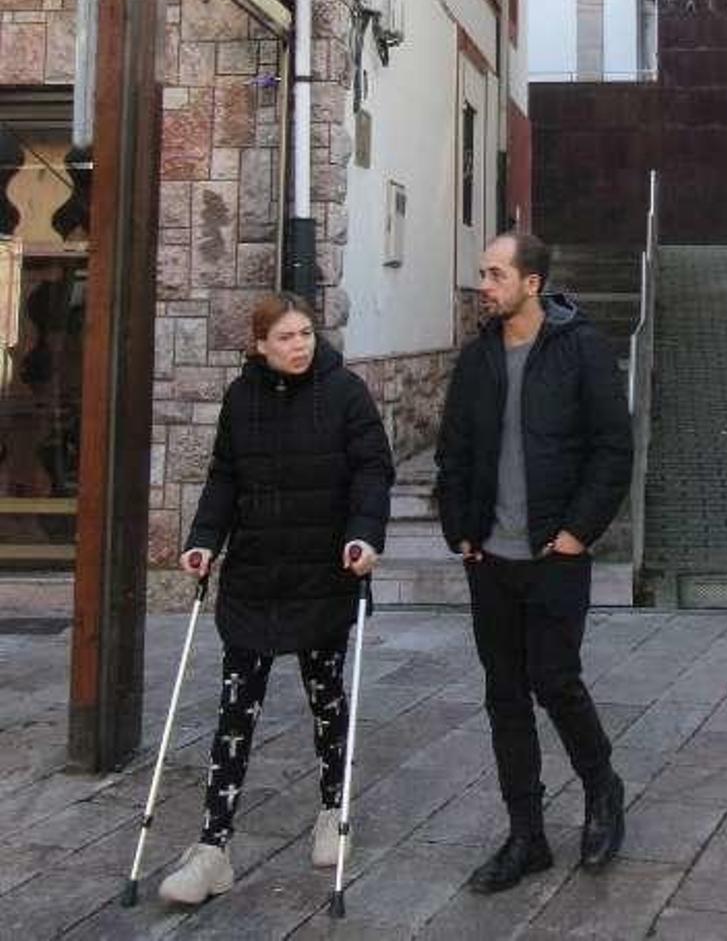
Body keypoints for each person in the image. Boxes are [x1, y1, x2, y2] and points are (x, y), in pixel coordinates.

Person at [158, 292, 395, 905]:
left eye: (306, 333)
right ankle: (213, 848)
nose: (299, 345)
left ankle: (332, 810)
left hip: (322, 575)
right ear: (260, 345)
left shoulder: (344, 393)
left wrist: (364, 535)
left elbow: (373, 469)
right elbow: (225, 476)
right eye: (286, 337)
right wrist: (204, 540)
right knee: (235, 713)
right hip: (256, 581)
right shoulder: (242, 400)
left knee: (326, 700)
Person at [435, 232, 633, 894]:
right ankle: (527, 836)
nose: (484, 284)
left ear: (531, 283)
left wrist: (579, 531)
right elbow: (454, 450)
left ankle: (603, 788)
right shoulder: (477, 360)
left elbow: (612, 448)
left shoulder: (580, 350)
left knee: (556, 680)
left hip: (554, 556)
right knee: (504, 696)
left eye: (495, 274)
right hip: (491, 558)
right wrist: (460, 528)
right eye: (483, 273)